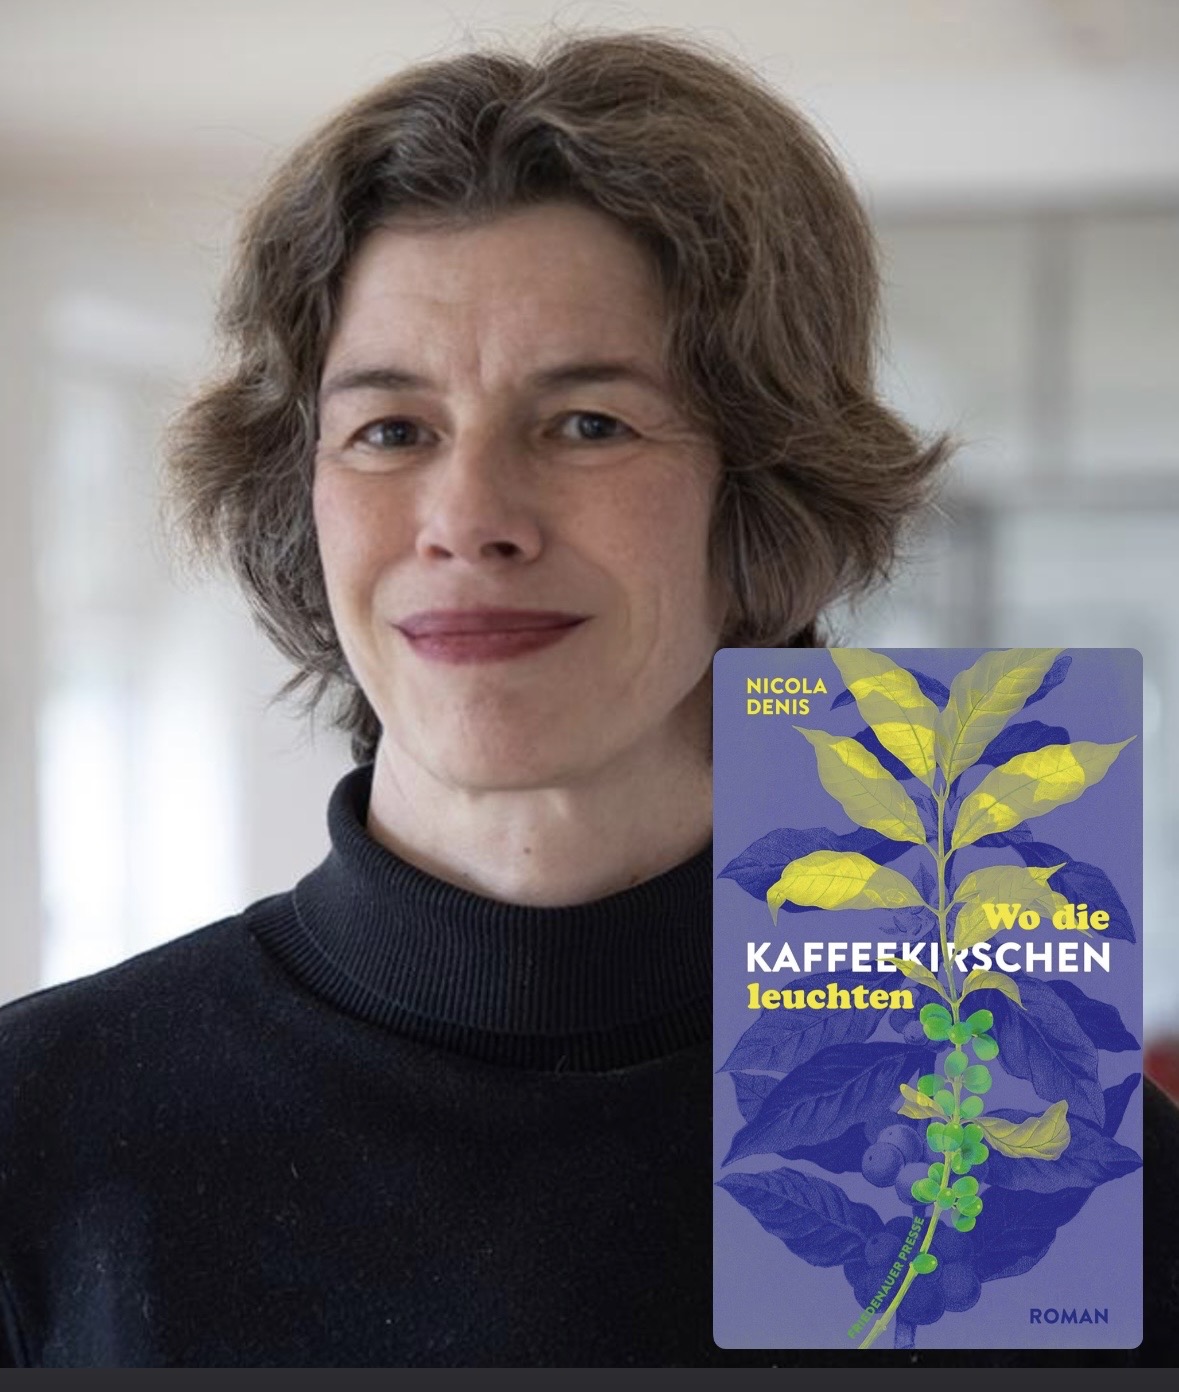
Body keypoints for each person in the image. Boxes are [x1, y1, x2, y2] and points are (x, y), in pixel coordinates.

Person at [1, 31, 1175, 1369]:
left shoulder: (1035, 1152)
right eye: (392, 430)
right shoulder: (38, 1136)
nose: (469, 518)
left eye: (588, 424)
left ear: (762, 493)